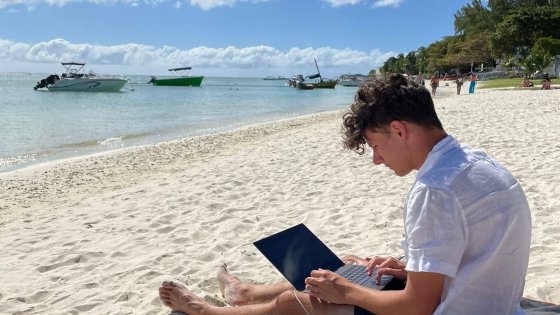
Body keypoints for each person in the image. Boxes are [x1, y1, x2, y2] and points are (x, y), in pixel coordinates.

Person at [158, 74, 532, 315]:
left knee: (305, 300)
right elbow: (472, 250)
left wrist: (349, 293)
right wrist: (409, 268)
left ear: (399, 130)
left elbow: (419, 306)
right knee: (351, 262)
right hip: (493, 303)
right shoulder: (477, 163)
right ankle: (248, 293)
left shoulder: (434, 191)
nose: (376, 160)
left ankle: (209, 312)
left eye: (374, 145)